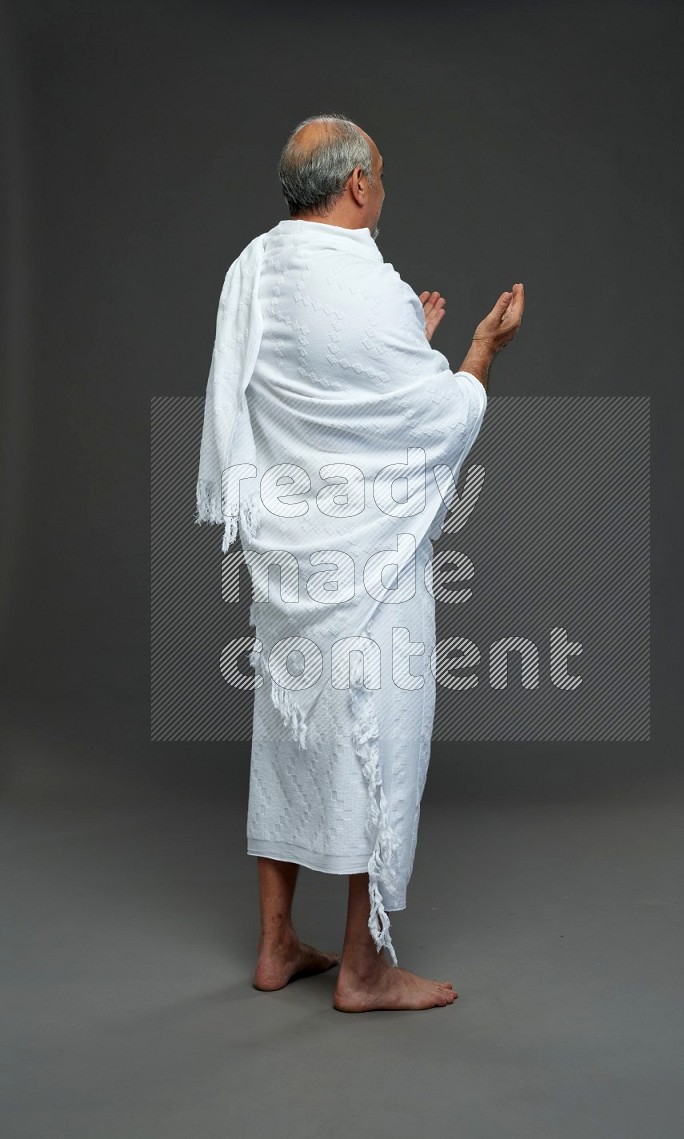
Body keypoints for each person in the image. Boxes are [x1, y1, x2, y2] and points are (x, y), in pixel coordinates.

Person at [196, 113, 524, 1012]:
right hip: (372, 567)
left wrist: (404, 353)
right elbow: (428, 422)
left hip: (289, 567)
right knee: (380, 738)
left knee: (290, 738)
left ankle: (274, 945)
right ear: (356, 186)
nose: (383, 183)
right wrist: (477, 352)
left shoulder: (254, 270)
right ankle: (364, 967)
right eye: (381, 170)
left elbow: (305, 404)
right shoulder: (373, 288)